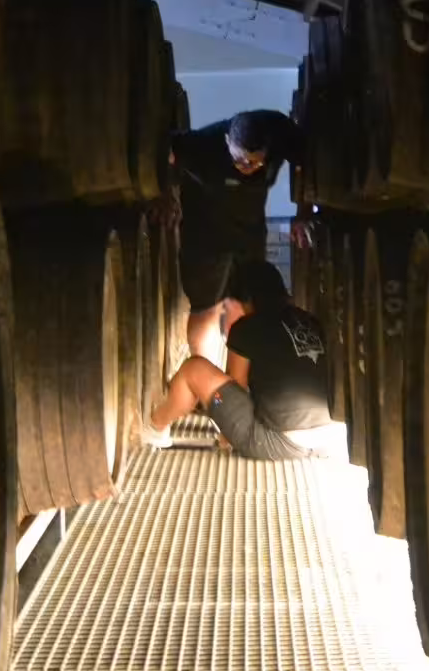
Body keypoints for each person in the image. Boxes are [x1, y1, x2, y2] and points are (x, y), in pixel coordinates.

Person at [142, 260, 340, 460]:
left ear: (247, 299)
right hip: (330, 436)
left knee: (193, 371)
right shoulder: (310, 321)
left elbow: (237, 390)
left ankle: (154, 429)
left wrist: (215, 407)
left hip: (279, 443)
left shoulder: (246, 328)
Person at [167, 108, 304, 363]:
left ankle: (239, 376)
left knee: (246, 303)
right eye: (240, 161)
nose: (248, 168)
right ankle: (207, 377)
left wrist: (303, 212)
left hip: (249, 229)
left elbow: (307, 162)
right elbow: (160, 152)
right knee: (207, 308)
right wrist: (166, 199)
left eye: (256, 162)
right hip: (204, 231)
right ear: (228, 141)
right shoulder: (201, 145)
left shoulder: (279, 131)